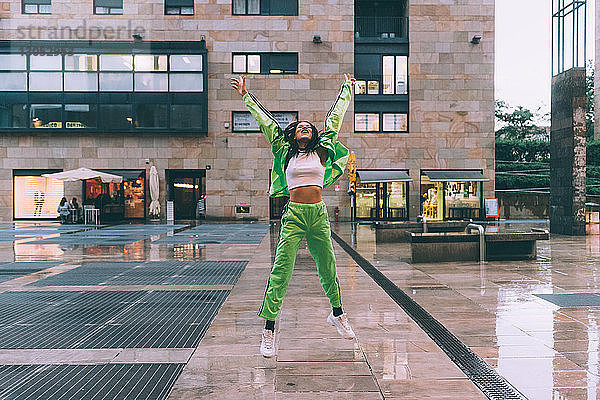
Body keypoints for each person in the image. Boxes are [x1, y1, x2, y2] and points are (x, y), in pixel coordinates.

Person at [231, 73, 356, 358]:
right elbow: (267, 123)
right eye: (298, 127)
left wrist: (347, 89)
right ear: (293, 134)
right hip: (295, 215)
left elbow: (333, 120)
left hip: (318, 214)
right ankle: (269, 330)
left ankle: (337, 313)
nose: (303, 128)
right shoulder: (285, 153)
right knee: (281, 269)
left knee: (328, 265)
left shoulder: (322, 153)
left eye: (307, 127)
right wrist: (245, 96)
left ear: (312, 134)